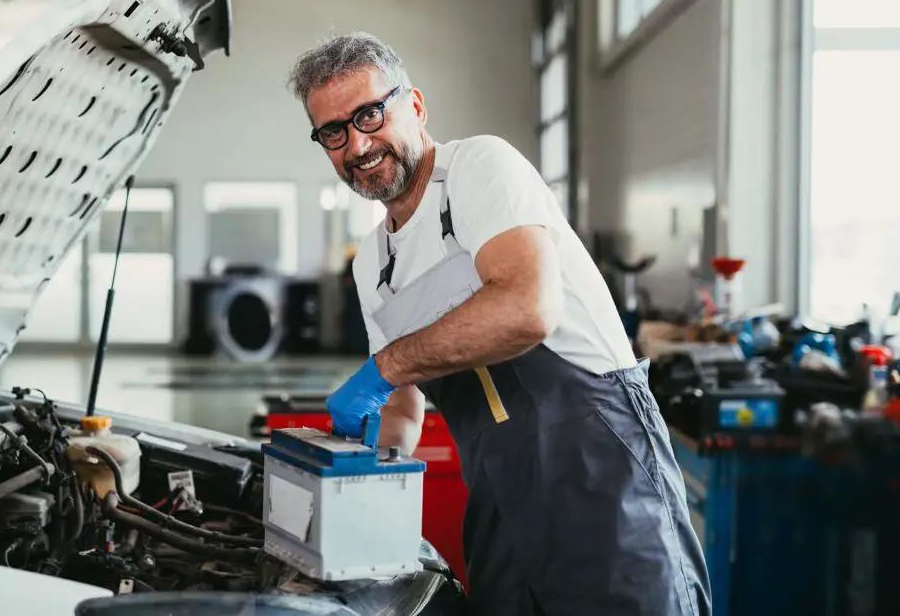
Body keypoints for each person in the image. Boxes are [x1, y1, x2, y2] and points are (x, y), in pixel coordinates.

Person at [286, 31, 711, 616]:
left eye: (369, 115)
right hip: (496, 501)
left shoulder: (478, 168)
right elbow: (402, 414)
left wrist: (383, 366)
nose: (357, 144)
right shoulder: (373, 264)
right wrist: (331, 469)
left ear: (414, 105)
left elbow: (526, 310)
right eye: (334, 132)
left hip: (602, 480)